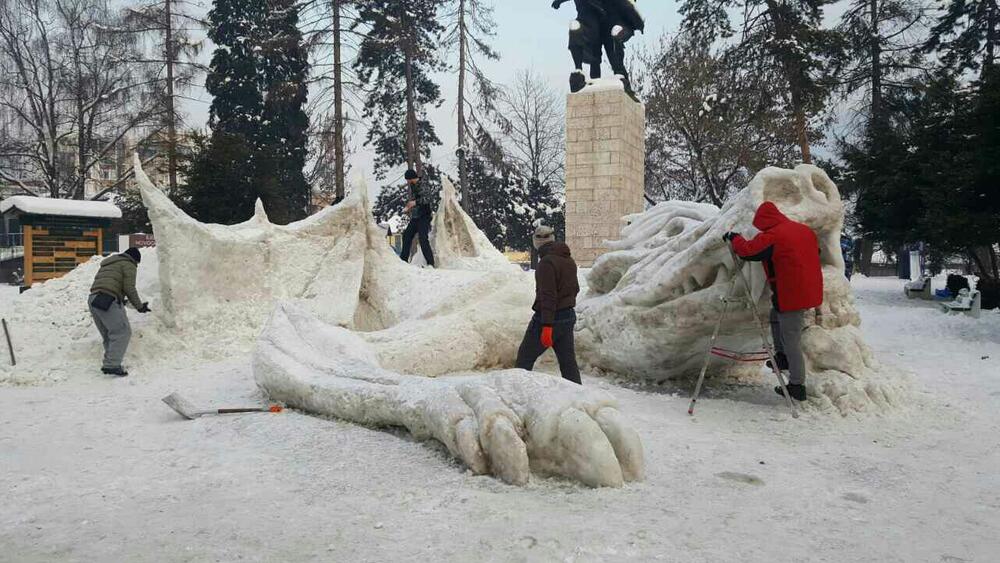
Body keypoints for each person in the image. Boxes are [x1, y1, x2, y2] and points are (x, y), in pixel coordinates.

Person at [723, 202, 823, 401]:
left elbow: (749, 251)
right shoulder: (804, 231)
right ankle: (782, 357)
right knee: (775, 316)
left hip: (792, 293)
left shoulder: (774, 235)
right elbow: (815, 252)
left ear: (764, 221)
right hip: (806, 289)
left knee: (791, 339)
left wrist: (734, 238)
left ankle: (797, 385)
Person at [515, 225, 582, 384]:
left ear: (536, 242)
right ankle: (579, 394)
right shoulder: (568, 260)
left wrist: (547, 326)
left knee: (524, 359)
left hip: (548, 319)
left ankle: (518, 392)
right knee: (568, 363)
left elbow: (548, 297)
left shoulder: (546, 263)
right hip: (568, 315)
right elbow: (575, 288)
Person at [88, 247, 150, 376]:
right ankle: (112, 365)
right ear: (135, 260)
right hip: (107, 299)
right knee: (122, 331)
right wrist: (139, 307)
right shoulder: (129, 264)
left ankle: (109, 362)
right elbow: (129, 288)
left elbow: (112, 287)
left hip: (94, 299)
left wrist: (127, 302)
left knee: (109, 334)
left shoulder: (111, 263)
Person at [398, 169, 435, 267]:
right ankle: (403, 260)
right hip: (416, 216)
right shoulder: (413, 185)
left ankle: (430, 263)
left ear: (411, 178)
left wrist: (415, 203)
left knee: (423, 238)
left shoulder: (423, 184)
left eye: (408, 179)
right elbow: (415, 200)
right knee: (407, 235)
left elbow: (428, 199)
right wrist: (409, 207)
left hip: (424, 216)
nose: (407, 182)